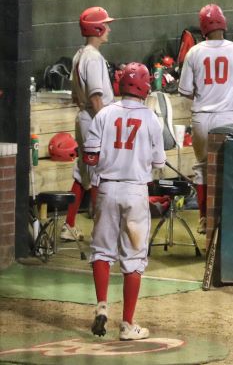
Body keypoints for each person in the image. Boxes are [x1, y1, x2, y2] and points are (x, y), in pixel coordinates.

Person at [83, 62, 165, 341]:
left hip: (107, 188)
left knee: (101, 251)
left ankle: (102, 306)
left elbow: (90, 156)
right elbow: (158, 163)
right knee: (133, 259)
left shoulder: (104, 114)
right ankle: (128, 325)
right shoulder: (152, 118)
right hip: (135, 191)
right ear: (144, 86)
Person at [178, 4, 233, 234]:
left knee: (202, 168)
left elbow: (185, 90)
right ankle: (224, 219)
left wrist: (205, 92)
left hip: (201, 117)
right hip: (227, 116)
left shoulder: (195, 52)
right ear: (224, 24)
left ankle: (203, 219)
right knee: (226, 168)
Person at [63, 6, 115, 242]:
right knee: (96, 174)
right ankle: (100, 230)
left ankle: (69, 224)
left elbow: (77, 96)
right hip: (94, 120)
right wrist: (107, 125)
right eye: (105, 24)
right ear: (97, 28)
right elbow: (96, 98)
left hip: (84, 117)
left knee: (82, 172)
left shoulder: (80, 54)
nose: (109, 28)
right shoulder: (93, 57)